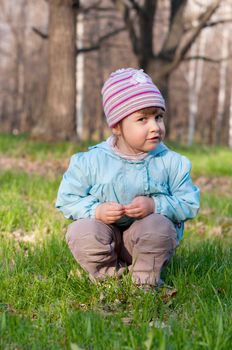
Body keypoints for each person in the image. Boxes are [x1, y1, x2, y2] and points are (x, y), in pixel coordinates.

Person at [56, 68, 200, 288]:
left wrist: (155, 205)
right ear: (116, 126)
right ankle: (107, 276)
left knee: (158, 226)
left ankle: (145, 279)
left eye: (158, 117)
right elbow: (67, 200)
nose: (155, 127)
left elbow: (189, 204)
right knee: (81, 231)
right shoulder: (90, 162)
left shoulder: (172, 163)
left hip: (146, 239)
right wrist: (96, 211)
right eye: (142, 119)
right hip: (105, 238)